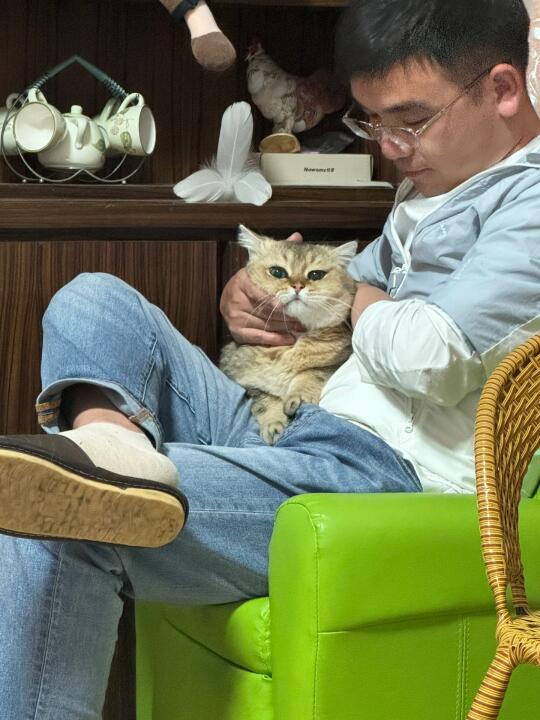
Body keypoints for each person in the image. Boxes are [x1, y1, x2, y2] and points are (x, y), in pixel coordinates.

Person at [0, 0, 539, 716]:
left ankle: (106, 474)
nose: (390, 148)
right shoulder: (435, 184)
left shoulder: (529, 205)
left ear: (503, 88)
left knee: (58, 502)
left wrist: (344, 293)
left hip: (380, 474)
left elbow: (430, 357)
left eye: (410, 121)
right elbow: (345, 291)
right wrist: (251, 295)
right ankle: (113, 442)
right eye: (373, 123)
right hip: (301, 425)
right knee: (92, 299)